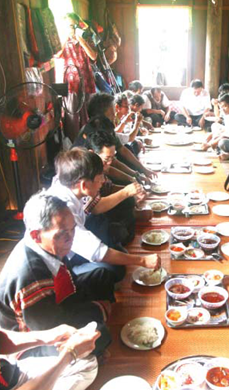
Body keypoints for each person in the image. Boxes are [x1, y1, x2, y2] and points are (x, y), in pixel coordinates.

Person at [0, 248, 100, 390]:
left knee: (88, 362)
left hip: (8, 375)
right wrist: (69, 354)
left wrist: (49, 335)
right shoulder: (28, 269)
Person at [0, 193, 113, 358]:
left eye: (73, 230)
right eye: (63, 233)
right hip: (33, 342)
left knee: (102, 275)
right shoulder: (30, 277)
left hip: (53, 302)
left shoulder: (46, 244)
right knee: (100, 334)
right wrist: (95, 310)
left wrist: (92, 308)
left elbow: (71, 281)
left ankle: (99, 318)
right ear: (36, 235)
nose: (71, 238)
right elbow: (49, 330)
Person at [47, 148, 160, 281]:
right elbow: (97, 252)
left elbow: (95, 207)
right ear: (84, 185)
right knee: (113, 270)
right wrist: (142, 260)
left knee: (120, 255)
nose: (103, 182)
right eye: (99, 179)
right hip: (59, 268)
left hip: (71, 249)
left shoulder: (71, 185)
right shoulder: (63, 212)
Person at [73, 93, 155, 181]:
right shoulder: (95, 132)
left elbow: (122, 150)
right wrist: (133, 178)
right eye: (112, 113)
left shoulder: (105, 126)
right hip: (83, 177)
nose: (114, 116)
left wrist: (140, 172)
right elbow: (110, 166)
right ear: (101, 115)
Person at [86, 130, 145, 246]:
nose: (110, 163)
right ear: (92, 153)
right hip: (89, 223)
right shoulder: (84, 171)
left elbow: (108, 187)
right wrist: (126, 191)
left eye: (112, 158)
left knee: (128, 201)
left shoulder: (99, 166)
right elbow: (95, 207)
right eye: (107, 159)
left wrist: (132, 189)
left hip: (99, 214)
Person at [56, 13, 97, 141]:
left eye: (74, 25)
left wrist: (81, 40)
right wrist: (66, 37)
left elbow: (94, 56)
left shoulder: (87, 37)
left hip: (87, 82)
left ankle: (90, 144)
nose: (72, 28)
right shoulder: (64, 40)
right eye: (69, 26)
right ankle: (74, 146)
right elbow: (57, 54)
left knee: (89, 114)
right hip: (71, 84)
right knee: (72, 117)